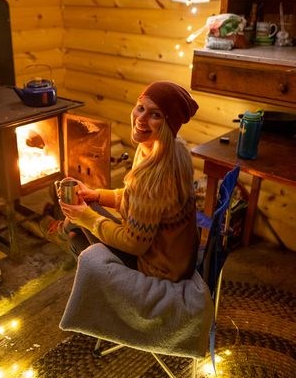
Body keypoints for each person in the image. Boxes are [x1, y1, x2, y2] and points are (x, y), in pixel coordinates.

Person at [29, 81, 199, 282]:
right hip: (176, 257)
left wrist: (85, 217)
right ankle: (64, 229)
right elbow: (136, 200)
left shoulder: (154, 177)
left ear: (169, 124)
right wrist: (97, 195)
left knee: (77, 237)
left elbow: (134, 243)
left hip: (159, 269)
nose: (141, 119)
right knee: (84, 210)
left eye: (156, 115)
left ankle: (64, 234)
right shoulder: (167, 149)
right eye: (140, 108)